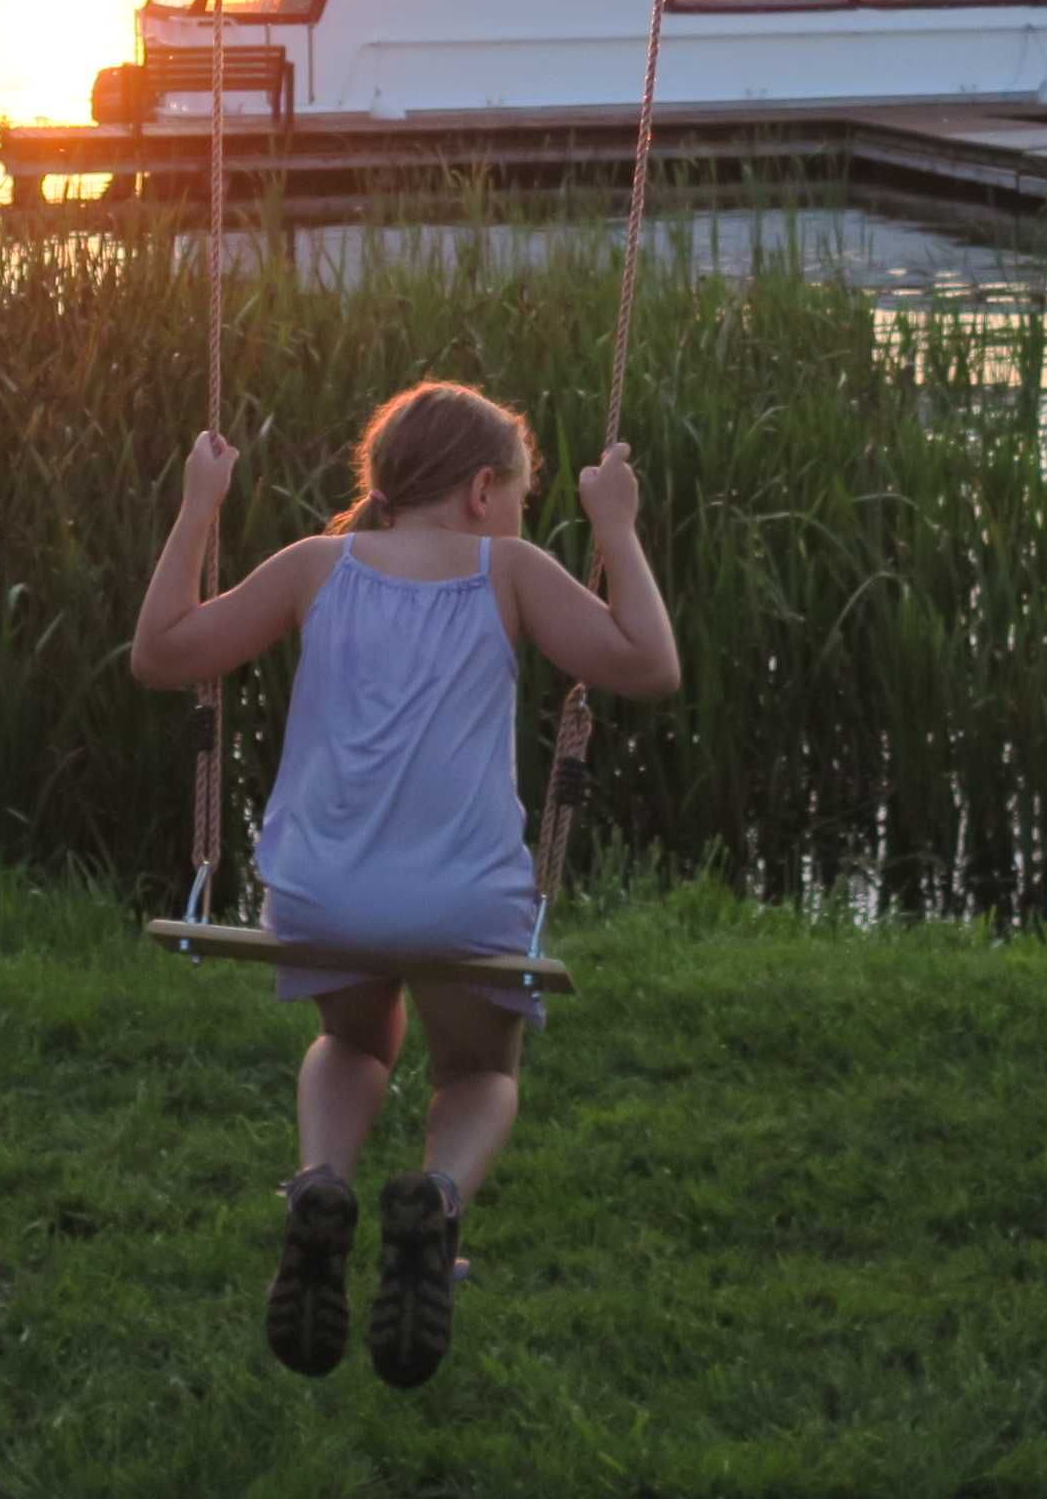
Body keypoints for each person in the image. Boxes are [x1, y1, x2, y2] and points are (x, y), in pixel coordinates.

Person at [130, 380, 681, 1387]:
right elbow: (650, 665)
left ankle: (320, 1185)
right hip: (461, 904)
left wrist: (198, 507)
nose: (520, 513)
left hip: (320, 894)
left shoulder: (312, 566)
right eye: (519, 492)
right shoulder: (507, 569)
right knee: (478, 1073)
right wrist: (617, 525)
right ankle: (437, 1195)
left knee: (352, 1037)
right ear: (480, 491)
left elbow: (159, 654)